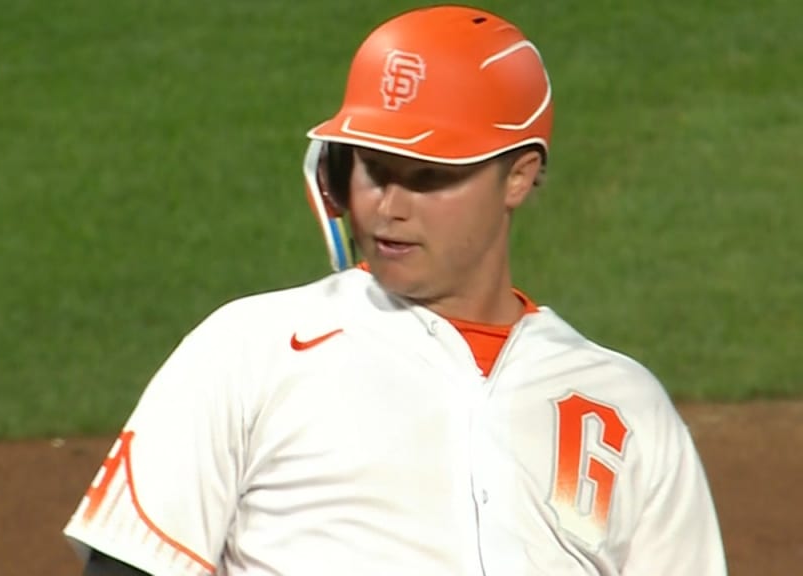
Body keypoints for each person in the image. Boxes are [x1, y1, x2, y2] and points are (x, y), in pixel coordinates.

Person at [62, 5, 727, 575]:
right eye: (374, 170)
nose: (390, 206)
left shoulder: (625, 406)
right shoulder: (252, 350)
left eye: (430, 176)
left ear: (519, 177)